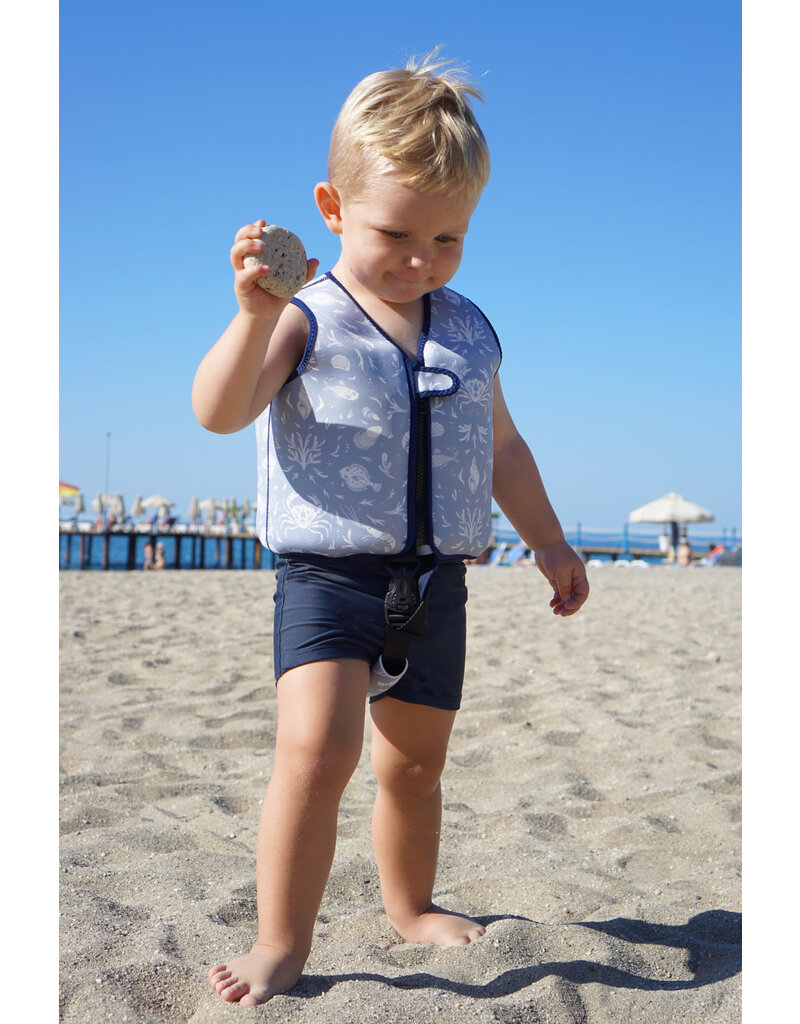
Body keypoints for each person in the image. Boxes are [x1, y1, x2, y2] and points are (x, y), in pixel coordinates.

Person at [192, 51, 589, 1007]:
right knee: (315, 756)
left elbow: (503, 449)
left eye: (449, 238)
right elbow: (219, 410)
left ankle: (410, 906)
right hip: (329, 579)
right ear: (333, 209)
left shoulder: (467, 329)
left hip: (436, 582)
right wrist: (252, 317)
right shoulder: (305, 317)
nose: (422, 259)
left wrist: (549, 541)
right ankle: (280, 941)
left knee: (414, 767)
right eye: (397, 233)